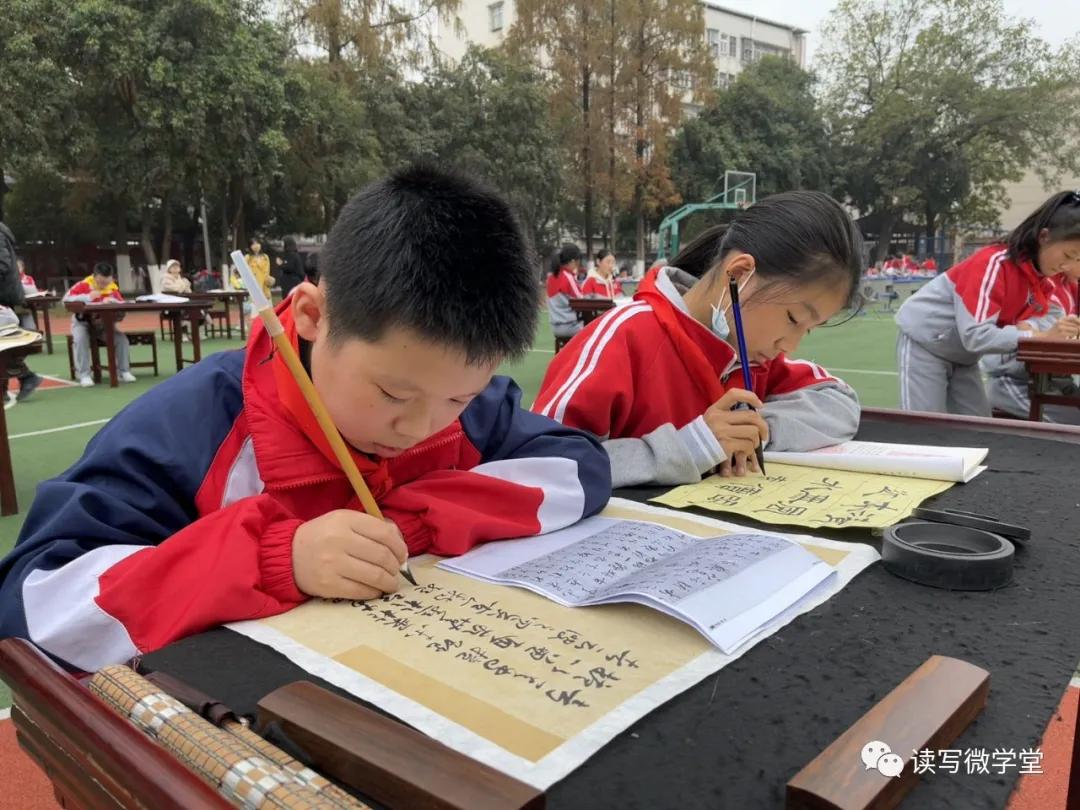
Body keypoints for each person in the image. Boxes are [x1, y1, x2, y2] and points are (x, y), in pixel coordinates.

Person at [0, 165, 611, 672]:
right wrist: (275, 558)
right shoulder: (190, 426)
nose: (420, 429)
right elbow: (34, 603)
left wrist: (414, 525)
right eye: (393, 395)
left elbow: (579, 469)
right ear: (313, 317)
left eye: (458, 400)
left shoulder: (459, 410)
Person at [533, 191, 864, 488]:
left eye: (807, 329)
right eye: (793, 318)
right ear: (738, 276)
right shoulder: (625, 337)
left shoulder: (752, 357)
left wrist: (754, 430)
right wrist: (693, 446)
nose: (790, 345)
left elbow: (842, 402)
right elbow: (540, 462)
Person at [895, 191, 1080, 416]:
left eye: (1077, 259)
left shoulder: (1040, 279)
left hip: (964, 356)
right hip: (925, 343)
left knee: (980, 430)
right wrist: (1035, 336)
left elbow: (1047, 315)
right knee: (925, 430)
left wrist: (1033, 328)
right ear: (1044, 237)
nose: (1067, 265)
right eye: (1069, 254)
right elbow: (976, 335)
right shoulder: (994, 263)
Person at [981, 274, 1080, 423]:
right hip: (1014, 380)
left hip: (1055, 380)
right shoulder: (1046, 290)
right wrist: (1043, 335)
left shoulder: (1068, 287)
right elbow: (1030, 338)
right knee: (1073, 421)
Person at [63, 262, 136, 386]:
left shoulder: (113, 288)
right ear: (95, 276)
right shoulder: (84, 285)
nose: (103, 285)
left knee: (121, 340)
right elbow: (65, 300)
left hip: (104, 325)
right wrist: (87, 297)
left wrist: (113, 302)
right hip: (83, 323)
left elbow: (121, 303)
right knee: (80, 340)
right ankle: (84, 374)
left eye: (106, 282)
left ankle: (124, 371)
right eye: (101, 282)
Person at [0, 227, 43, 403]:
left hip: (4, 294)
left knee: (4, 343)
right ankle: (22, 378)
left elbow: (2, 264)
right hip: (5, 293)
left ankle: (25, 377)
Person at [546, 244, 584, 339]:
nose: (578, 265)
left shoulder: (551, 277)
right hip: (570, 326)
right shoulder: (567, 277)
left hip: (555, 327)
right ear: (572, 261)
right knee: (595, 328)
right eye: (577, 262)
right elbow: (581, 300)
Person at [245, 237, 274, 303]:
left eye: (257, 243)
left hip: (265, 288)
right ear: (250, 246)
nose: (256, 246)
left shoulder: (265, 257)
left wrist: (269, 280)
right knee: (255, 310)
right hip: (254, 288)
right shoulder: (248, 257)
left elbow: (267, 272)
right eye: (253, 244)